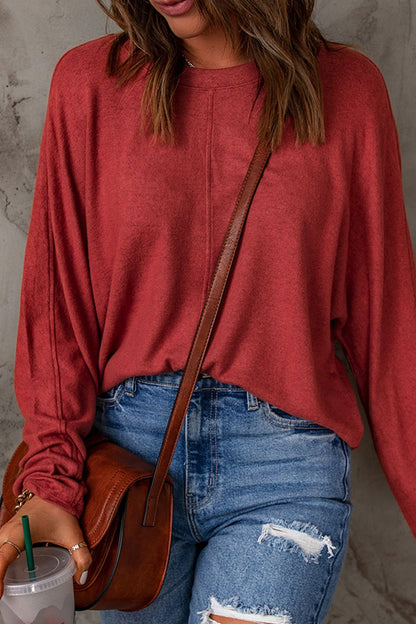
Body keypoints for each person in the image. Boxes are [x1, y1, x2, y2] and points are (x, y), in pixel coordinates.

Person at [1, 0, 415, 622]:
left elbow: (389, 333)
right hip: (129, 469)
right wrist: (50, 477)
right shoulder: (89, 84)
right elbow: (58, 307)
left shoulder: (349, 91)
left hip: (282, 466)